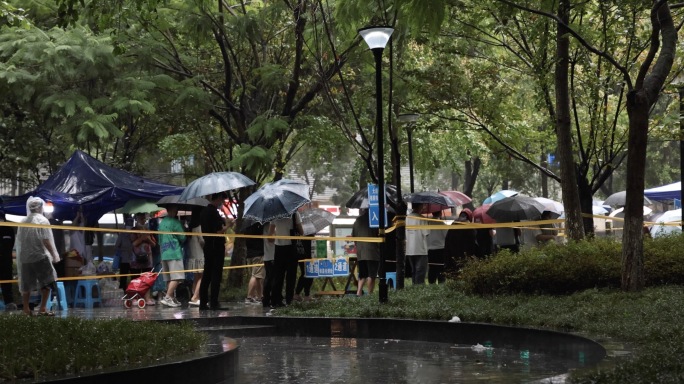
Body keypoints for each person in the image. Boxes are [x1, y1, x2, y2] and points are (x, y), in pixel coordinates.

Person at [16, 197, 60, 316]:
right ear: (40, 207)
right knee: (46, 283)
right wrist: (54, 254)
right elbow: (46, 240)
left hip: (25, 258)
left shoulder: (23, 221)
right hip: (40, 257)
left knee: (26, 285)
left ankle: (26, 309)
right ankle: (43, 308)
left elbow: (19, 240)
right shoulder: (43, 221)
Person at [199, 192, 228, 310]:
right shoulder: (213, 213)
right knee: (216, 275)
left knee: (206, 274)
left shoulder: (204, 212)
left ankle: (203, 302)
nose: (223, 203)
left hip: (208, 246)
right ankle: (214, 302)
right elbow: (218, 232)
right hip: (216, 246)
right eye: (222, 200)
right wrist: (228, 226)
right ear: (219, 198)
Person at [267, 211, 303, 307]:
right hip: (292, 248)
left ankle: (275, 300)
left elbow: (270, 236)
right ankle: (289, 300)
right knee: (291, 276)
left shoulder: (275, 214)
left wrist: (278, 234)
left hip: (279, 248)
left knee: (278, 276)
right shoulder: (295, 214)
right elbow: (301, 231)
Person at [158, 205, 186, 307]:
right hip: (174, 253)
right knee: (177, 277)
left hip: (164, 253)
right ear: (174, 210)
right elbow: (182, 237)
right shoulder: (176, 222)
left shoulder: (162, 222)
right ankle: (168, 297)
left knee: (169, 278)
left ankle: (172, 298)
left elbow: (159, 239)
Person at [444, 208, 479, 276]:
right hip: (465, 257)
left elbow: (447, 241)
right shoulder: (470, 227)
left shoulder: (453, 224)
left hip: (452, 256)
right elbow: (473, 243)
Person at [352, 209, 379, 296]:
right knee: (371, 274)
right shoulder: (374, 220)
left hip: (361, 251)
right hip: (372, 251)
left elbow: (354, 236)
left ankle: (358, 292)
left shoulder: (357, 221)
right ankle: (369, 294)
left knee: (362, 274)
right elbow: (379, 234)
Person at [131, 212, 155, 305]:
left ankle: (147, 297)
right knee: (136, 278)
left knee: (147, 278)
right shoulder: (134, 230)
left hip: (147, 258)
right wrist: (142, 238)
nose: (142, 219)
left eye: (143, 217)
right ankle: (135, 298)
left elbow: (154, 244)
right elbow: (133, 243)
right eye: (140, 217)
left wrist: (147, 238)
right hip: (136, 259)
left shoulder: (148, 230)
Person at [405, 203, 429, 285]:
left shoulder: (407, 218)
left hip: (409, 250)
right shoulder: (422, 219)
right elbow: (426, 233)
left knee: (414, 271)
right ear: (420, 206)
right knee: (420, 272)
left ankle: (414, 289)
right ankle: (419, 290)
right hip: (420, 249)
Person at [243, 221, 265, 304]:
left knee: (258, 276)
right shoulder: (258, 225)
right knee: (255, 276)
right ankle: (249, 297)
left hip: (250, 254)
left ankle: (260, 296)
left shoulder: (247, 224)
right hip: (258, 253)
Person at [186, 207, 204, 306]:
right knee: (202, 277)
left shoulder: (190, 227)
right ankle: (195, 296)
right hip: (200, 255)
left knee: (196, 277)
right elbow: (202, 241)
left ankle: (195, 296)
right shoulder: (199, 227)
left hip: (193, 256)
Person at [0, 213, 17, 310]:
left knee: (7, 282)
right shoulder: (9, 229)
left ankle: (9, 302)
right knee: (6, 281)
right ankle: (9, 301)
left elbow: (11, 244)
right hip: (6, 259)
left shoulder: (9, 229)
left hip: (6, 260)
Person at [426, 211, 448, 284]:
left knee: (432, 268)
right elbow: (446, 236)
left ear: (432, 213)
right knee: (441, 268)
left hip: (430, 249)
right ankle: (441, 283)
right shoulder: (441, 223)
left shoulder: (428, 223)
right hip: (441, 249)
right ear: (440, 213)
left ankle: (431, 283)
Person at [115, 217, 136, 290]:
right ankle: (123, 292)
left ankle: (134, 292)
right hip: (124, 259)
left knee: (134, 278)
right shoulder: (122, 235)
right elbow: (117, 246)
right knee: (123, 278)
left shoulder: (135, 233)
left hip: (134, 260)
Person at [261, 222, 275, 309]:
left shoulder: (266, 225)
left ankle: (266, 299)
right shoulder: (271, 225)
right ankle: (268, 299)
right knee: (271, 279)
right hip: (271, 256)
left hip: (268, 256)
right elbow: (270, 239)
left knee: (268, 278)